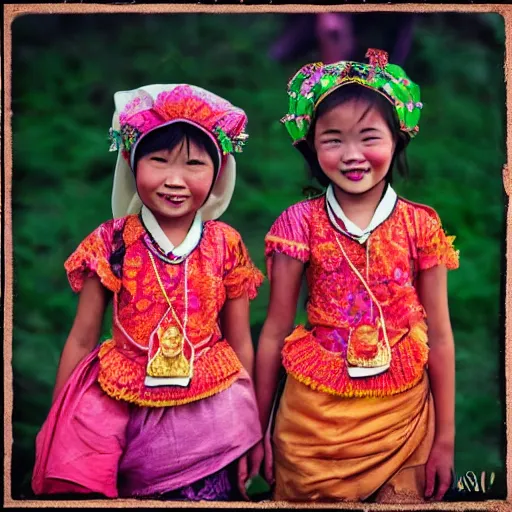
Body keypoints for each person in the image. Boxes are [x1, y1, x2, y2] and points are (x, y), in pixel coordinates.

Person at [31, 84, 264, 501]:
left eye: (194, 164)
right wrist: (56, 424)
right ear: (131, 162)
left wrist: (251, 426)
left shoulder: (225, 243)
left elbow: (239, 341)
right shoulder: (112, 242)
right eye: (158, 161)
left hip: (212, 409)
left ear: (218, 173)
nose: (175, 180)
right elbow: (83, 337)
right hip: (123, 404)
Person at [252, 49, 459, 503]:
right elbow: (274, 333)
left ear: (397, 139)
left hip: (403, 417)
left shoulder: (421, 226)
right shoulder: (298, 223)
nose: (352, 156)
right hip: (312, 424)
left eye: (368, 137)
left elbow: (440, 337)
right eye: (332, 140)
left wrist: (445, 438)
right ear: (310, 145)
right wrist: (258, 429)